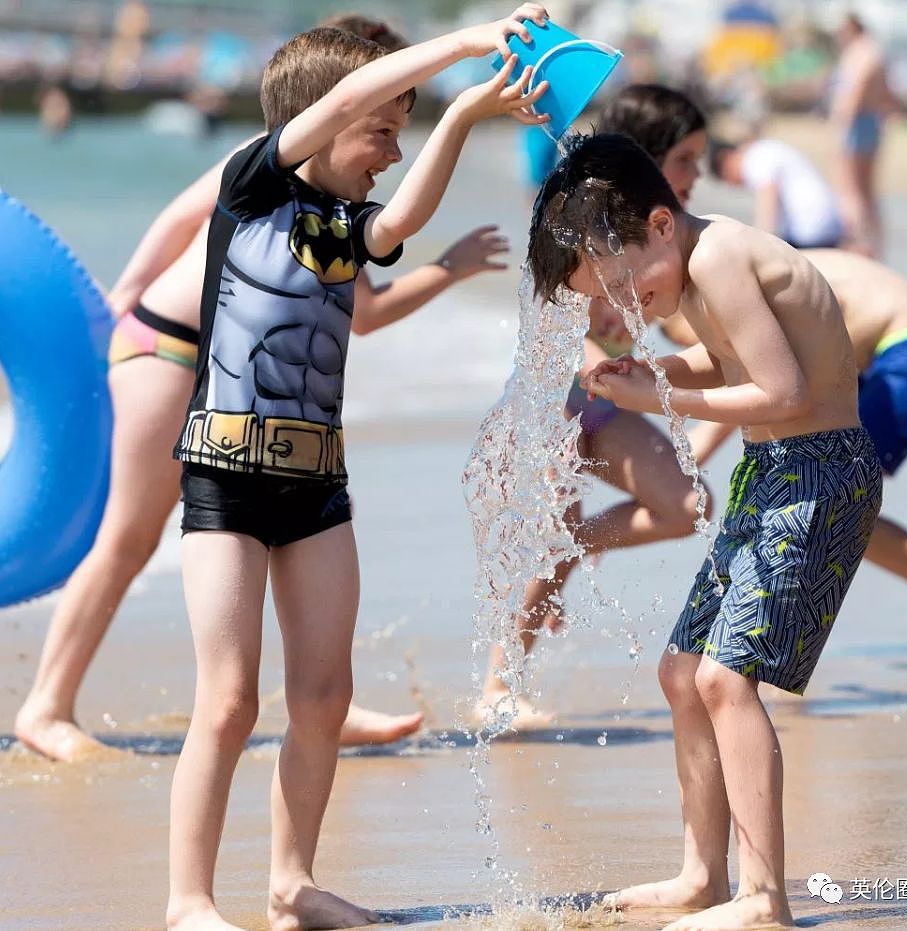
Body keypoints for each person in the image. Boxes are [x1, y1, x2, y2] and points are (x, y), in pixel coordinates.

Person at [14, 18, 511, 764]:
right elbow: (183, 215)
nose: (386, 139)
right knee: (131, 533)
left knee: (297, 523)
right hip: (168, 347)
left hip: (227, 375)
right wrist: (119, 300)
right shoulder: (263, 164)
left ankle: (319, 700)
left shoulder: (331, 205)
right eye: (380, 114)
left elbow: (364, 312)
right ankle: (45, 706)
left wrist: (449, 267)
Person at [165, 10, 550, 930]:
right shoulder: (251, 189)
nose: (389, 146)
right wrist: (465, 41)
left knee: (323, 694)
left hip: (317, 489)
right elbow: (343, 94)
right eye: (383, 128)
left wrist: (465, 114)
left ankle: (291, 884)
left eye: (400, 129)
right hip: (223, 478)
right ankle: (188, 902)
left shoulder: (342, 225)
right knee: (225, 702)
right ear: (323, 124)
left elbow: (400, 223)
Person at [531, 133, 882, 930]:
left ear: (660, 223)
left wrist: (658, 401)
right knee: (683, 670)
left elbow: (783, 390)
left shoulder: (720, 255)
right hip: (773, 472)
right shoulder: (686, 268)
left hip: (820, 473)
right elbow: (729, 364)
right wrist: (642, 374)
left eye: (622, 286)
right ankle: (701, 874)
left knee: (728, 679)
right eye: (606, 300)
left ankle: (763, 897)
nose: (624, 310)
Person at [477, 83, 710, 727]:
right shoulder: (582, 218)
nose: (697, 176)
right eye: (687, 160)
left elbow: (674, 321)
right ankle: (500, 683)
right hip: (554, 403)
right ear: (649, 160)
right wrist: (593, 366)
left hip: (606, 405)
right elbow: (555, 311)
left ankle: (575, 544)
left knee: (690, 507)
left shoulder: (664, 236)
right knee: (547, 545)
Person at [682, 249, 907, 669]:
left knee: (838, 508)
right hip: (905, 353)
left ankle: (778, 649)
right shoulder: (751, 266)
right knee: (830, 509)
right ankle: (780, 649)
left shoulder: (730, 284)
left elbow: (763, 369)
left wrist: (700, 446)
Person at [829, 13, 897, 258]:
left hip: (856, 123)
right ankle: (876, 245)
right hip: (872, 122)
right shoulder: (875, 51)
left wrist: (842, 125)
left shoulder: (860, 52)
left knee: (850, 188)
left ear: (851, 27)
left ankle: (858, 243)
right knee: (867, 191)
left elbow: (856, 90)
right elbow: (887, 93)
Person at [709, 136, 845, 249]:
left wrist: (761, 245)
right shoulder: (765, 149)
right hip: (829, 224)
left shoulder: (754, 159)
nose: (732, 185)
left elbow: (769, 203)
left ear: (726, 159)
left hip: (810, 230)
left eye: (726, 178)